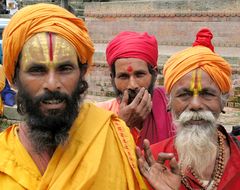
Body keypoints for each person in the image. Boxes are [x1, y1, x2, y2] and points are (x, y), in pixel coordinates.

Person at [0, 4, 147, 189]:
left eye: (65, 69)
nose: (52, 84)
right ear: (13, 78)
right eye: (37, 70)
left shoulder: (114, 135)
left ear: (82, 72)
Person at [136, 28, 240, 190]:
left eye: (207, 94)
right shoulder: (152, 164)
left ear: (223, 101)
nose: (195, 105)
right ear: (169, 102)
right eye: (184, 94)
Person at [97, 31, 175, 148]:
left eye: (139, 75)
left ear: (154, 74)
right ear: (112, 78)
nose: (132, 85)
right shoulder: (101, 116)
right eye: (123, 76)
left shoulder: (173, 108)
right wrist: (123, 125)